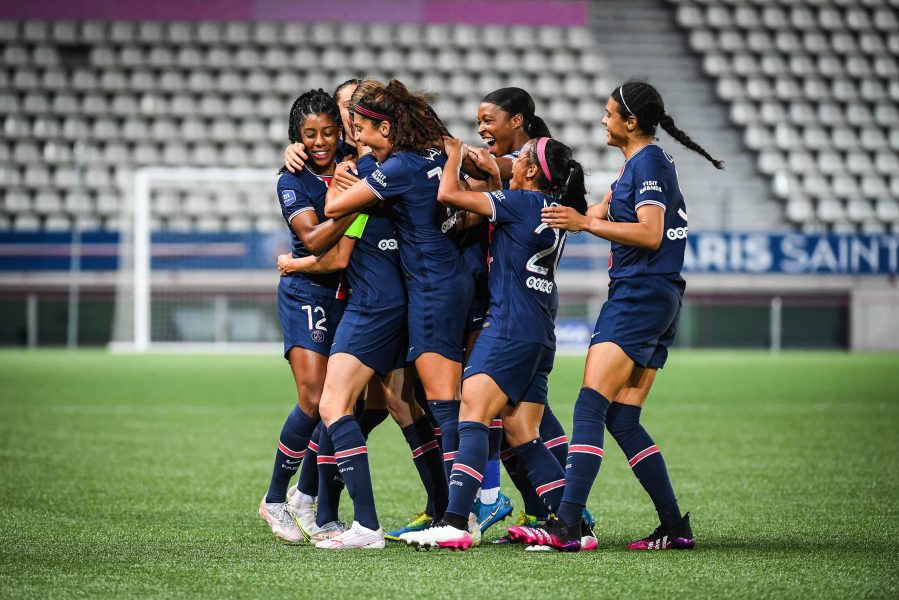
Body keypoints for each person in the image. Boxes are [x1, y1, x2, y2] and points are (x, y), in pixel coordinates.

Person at [508, 79, 723, 552]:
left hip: (638, 296)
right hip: (659, 296)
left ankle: (567, 526)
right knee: (623, 418)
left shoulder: (646, 162)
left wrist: (584, 222)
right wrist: (562, 192)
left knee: (590, 405)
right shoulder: (640, 164)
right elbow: (591, 211)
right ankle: (674, 525)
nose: (602, 120)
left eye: (609, 114)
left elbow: (649, 233)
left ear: (630, 122)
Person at [400, 135, 588, 550]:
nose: (513, 163)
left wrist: (452, 155)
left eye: (520, 158)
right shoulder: (553, 211)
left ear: (534, 171)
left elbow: (448, 193)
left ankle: (453, 522)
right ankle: (574, 526)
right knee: (523, 432)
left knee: (472, 409)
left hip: (508, 327)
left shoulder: (520, 203)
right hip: (540, 332)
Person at [305, 80, 471, 548]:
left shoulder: (394, 166)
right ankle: (450, 511)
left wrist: (343, 181)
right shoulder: (430, 152)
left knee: (349, 404)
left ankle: (438, 519)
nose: (353, 133)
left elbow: (334, 209)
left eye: (358, 126)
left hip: (400, 295)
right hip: (432, 283)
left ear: (384, 125)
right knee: (412, 403)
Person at [257, 89, 357, 544]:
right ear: (296, 137)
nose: (319, 142)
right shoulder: (290, 180)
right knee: (314, 398)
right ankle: (276, 498)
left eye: (328, 132)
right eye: (308, 135)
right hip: (307, 292)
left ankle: (315, 506)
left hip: (349, 294)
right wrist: (354, 203)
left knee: (341, 404)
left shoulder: (353, 161)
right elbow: (315, 240)